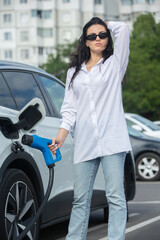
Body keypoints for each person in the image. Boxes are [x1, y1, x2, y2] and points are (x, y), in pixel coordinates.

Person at [49, 17, 132, 240]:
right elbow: (69, 109)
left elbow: (123, 29)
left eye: (102, 35)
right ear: (84, 41)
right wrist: (60, 136)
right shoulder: (73, 73)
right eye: (92, 36)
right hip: (85, 142)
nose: (97, 39)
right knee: (80, 199)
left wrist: (104, 22)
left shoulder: (115, 64)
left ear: (107, 38)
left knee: (115, 197)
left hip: (113, 141)